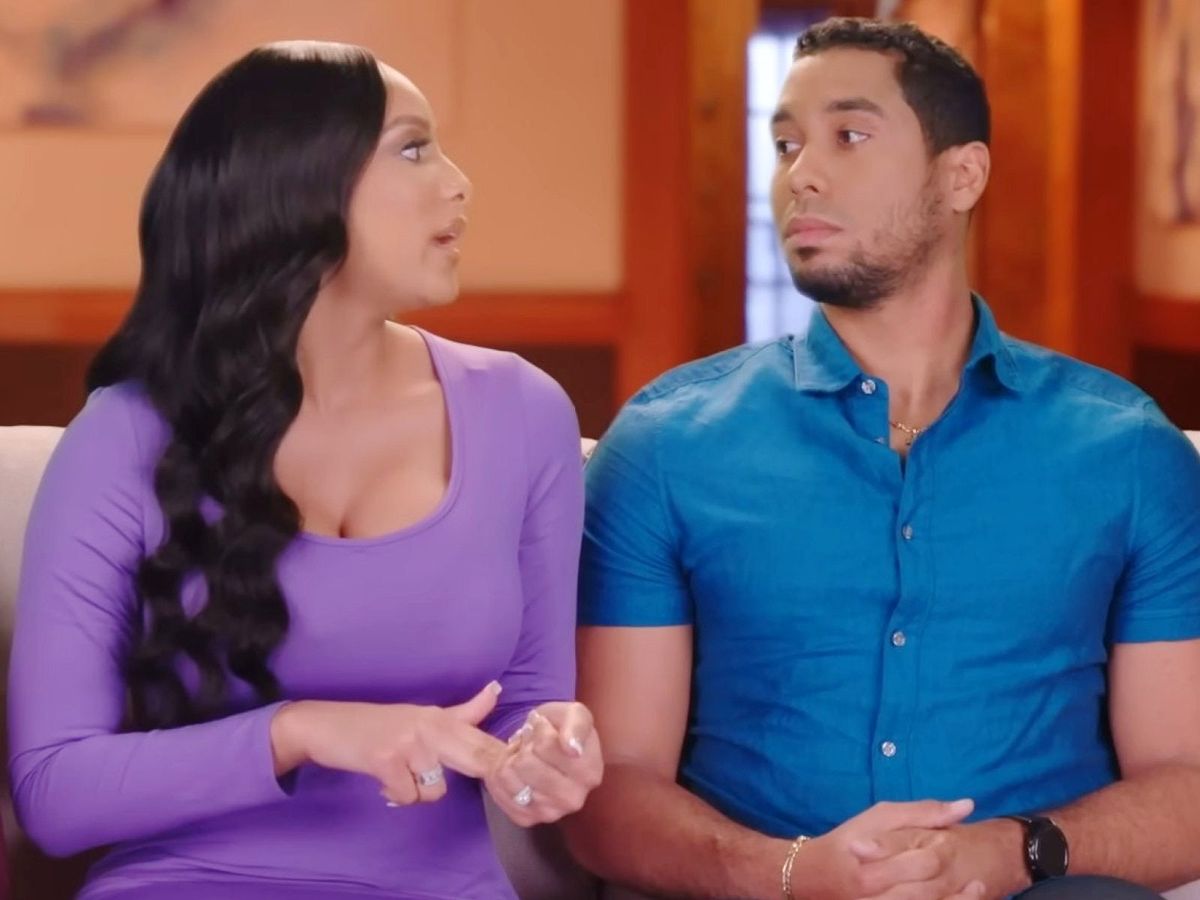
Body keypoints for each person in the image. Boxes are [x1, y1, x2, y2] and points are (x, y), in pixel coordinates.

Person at [564, 17, 1200, 900]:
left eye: (850, 136)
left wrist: (1009, 853)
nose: (801, 174)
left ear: (962, 175)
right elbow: (612, 789)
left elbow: (1184, 783)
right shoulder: (666, 445)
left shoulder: (1127, 452)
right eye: (785, 144)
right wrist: (794, 873)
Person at [8, 41, 602, 900]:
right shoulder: (125, 435)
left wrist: (548, 759)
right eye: (412, 148)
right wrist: (302, 731)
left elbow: (528, 715)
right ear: (295, 185)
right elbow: (54, 792)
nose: (459, 183)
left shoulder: (525, 413)